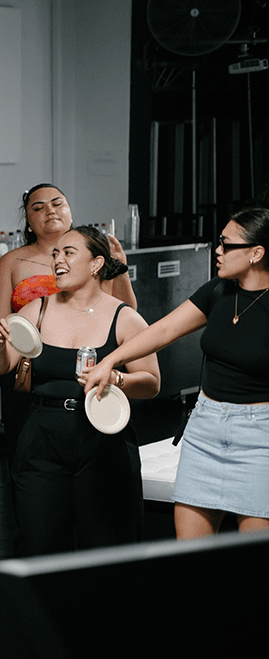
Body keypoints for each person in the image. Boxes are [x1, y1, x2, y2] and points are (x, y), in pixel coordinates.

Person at [84, 207, 269, 540]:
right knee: (191, 557)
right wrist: (110, 360)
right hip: (205, 429)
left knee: (251, 563)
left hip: (260, 438)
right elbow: (163, 330)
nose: (218, 250)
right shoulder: (218, 291)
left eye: (227, 245)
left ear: (256, 253)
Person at [0, 226, 159, 555]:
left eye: (68, 253)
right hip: (42, 435)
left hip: (102, 438)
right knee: (39, 540)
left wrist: (114, 378)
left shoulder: (124, 318)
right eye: (55, 253)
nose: (57, 260)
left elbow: (151, 383)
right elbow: (2, 366)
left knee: (107, 543)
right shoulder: (37, 310)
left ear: (96, 264)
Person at [0, 184, 136, 442]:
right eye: (38, 208)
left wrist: (121, 268)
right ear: (28, 221)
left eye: (57, 203)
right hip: (25, 371)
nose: (49, 211)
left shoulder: (94, 256)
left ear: (70, 212)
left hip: (84, 365)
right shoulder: (11, 262)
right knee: (26, 452)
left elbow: (124, 314)